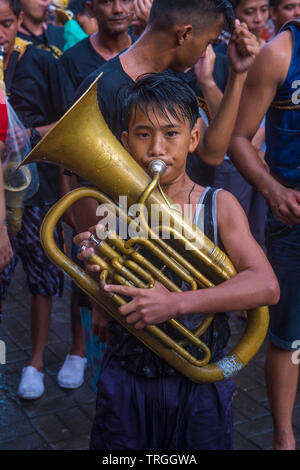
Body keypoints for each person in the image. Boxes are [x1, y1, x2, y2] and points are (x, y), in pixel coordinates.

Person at [73, 73, 279, 450]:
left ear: (194, 138)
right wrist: (96, 272)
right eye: (142, 134)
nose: (156, 148)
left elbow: (265, 285)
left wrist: (176, 303)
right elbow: (108, 290)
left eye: (171, 134)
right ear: (124, 142)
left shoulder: (218, 205)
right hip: (126, 373)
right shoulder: (115, 209)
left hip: (196, 379)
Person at [0, 0, 85, 399]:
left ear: (18, 21)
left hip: (36, 191)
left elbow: (68, 124)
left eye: (3, 24)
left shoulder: (45, 60)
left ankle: (34, 360)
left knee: (43, 276)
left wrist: (26, 135)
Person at [229, 19, 300, 450]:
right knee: (290, 334)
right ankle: (283, 436)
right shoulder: (279, 53)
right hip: (294, 223)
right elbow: (238, 138)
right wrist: (274, 191)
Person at [60, 0, 135, 93]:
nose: (118, 9)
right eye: (106, 2)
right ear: (90, 9)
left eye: (125, 0)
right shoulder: (71, 62)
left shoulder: (146, 52)